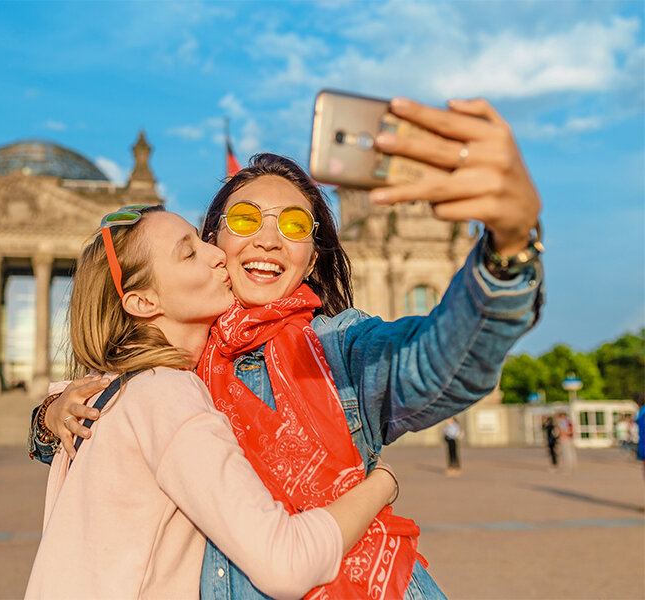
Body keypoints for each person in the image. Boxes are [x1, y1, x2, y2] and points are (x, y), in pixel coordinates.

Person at [29, 97, 544, 599]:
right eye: (247, 219)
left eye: (295, 225)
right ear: (213, 243)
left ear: (311, 258)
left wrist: (507, 253)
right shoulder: (162, 373)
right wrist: (48, 417)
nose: (270, 239)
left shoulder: (340, 349)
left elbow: (436, 362)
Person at [25, 205, 402, 599]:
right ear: (142, 303)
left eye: (202, 241)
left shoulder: (102, 394)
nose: (217, 254)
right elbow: (285, 562)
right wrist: (382, 483)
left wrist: (47, 415)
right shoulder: (164, 393)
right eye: (188, 253)